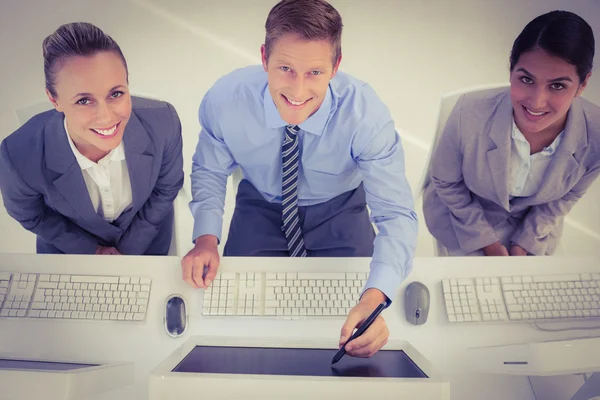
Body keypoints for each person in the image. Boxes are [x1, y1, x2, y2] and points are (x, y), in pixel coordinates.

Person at [182, 0, 418, 358]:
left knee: (350, 315)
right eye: (286, 68)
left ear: (336, 66)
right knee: (235, 318)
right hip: (260, 203)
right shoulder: (225, 99)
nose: (297, 89)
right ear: (264, 58)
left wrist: (376, 298)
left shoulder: (366, 116)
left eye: (315, 73)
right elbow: (210, 170)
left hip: (340, 208)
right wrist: (205, 238)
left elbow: (396, 215)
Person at [423, 10, 599, 257]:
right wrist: (488, 243)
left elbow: (564, 198)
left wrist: (524, 243)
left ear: (583, 84)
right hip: (463, 218)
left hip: (532, 226)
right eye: (526, 79)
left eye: (557, 85)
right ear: (511, 68)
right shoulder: (468, 111)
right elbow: (446, 182)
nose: (537, 102)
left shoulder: (596, 135)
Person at [0, 22, 184, 255]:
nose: (106, 117)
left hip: (146, 238)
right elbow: (29, 214)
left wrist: (129, 250)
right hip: (68, 247)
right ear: (54, 100)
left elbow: (166, 188)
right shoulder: (16, 156)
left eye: (116, 93)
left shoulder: (163, 122)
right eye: (83, 101)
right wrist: (91, 251)